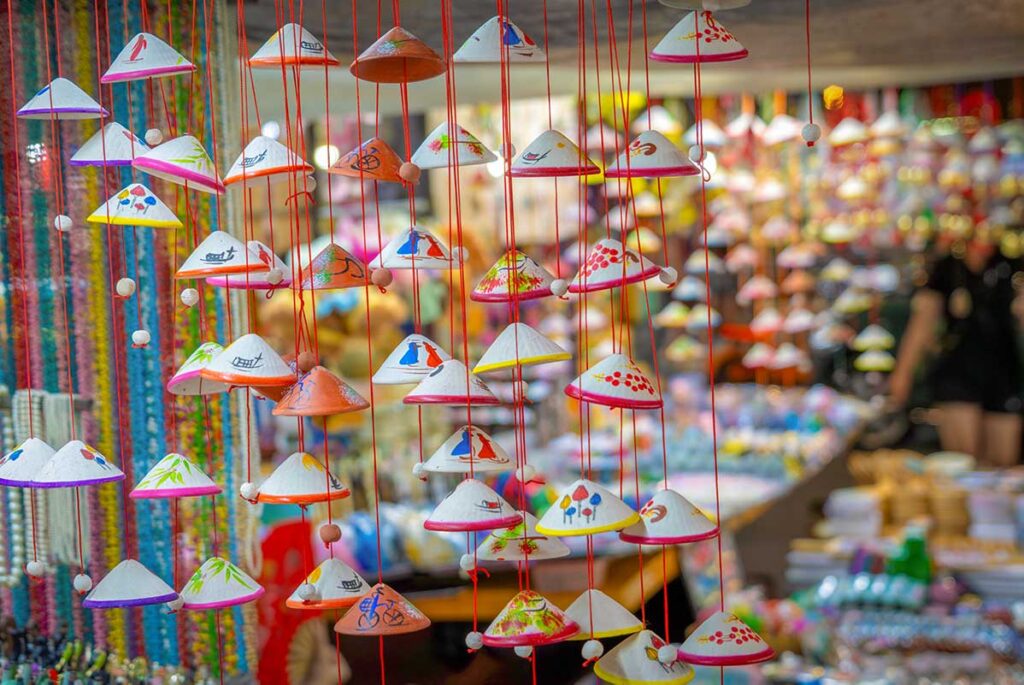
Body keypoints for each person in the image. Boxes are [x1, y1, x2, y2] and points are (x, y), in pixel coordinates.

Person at [890, 229, 1024, 466]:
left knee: (1003, 463)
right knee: (964, 463)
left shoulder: (1011, 261)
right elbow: (922, 324)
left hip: (1004, 369)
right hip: (958, 369)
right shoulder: (947, 267)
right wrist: (903, 374)